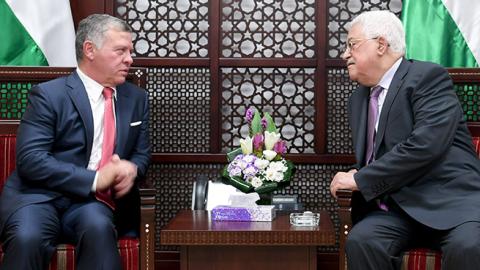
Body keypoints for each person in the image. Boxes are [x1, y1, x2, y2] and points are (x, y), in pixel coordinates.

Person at [330, 10, 480, 270]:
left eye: (352, 44)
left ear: (381, 45)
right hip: (395, 210)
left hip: (450, 205)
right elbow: (379, 154)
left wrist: (359, 179)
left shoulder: (426, 78)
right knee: (362, 241)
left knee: (468, 246)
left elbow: (425, 145)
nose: (345, 54)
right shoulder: (358, 99)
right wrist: (364, 171)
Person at [0, 14, 150, 269]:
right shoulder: (49, 95)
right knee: (28, 238)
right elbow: (31, 160)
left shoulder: (136, 99)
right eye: (120, 51)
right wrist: (94, 179)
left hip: (93, 202)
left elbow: (141, 154)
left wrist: (131, 168)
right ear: (89, 50)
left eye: (130, 51)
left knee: (99, 229)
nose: (129, 59)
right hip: (38, 197)